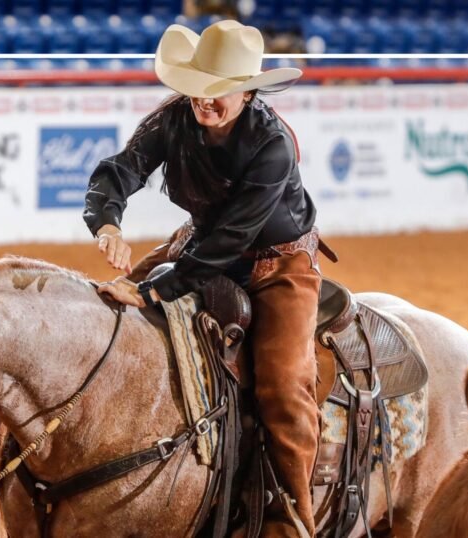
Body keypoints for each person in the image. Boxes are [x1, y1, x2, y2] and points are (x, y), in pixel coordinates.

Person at [83, 20, 323, 538]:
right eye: (196, 89)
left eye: (218, 92)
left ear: (248, 91)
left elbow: (230, 241)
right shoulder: (173, 120)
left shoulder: (273, 144)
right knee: (110, 315)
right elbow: (120, 170)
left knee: (283, 388)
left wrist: (150, 287)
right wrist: (107, 223)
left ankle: (297, 515)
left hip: (278, 263)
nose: (203, 102)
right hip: (202, 241)